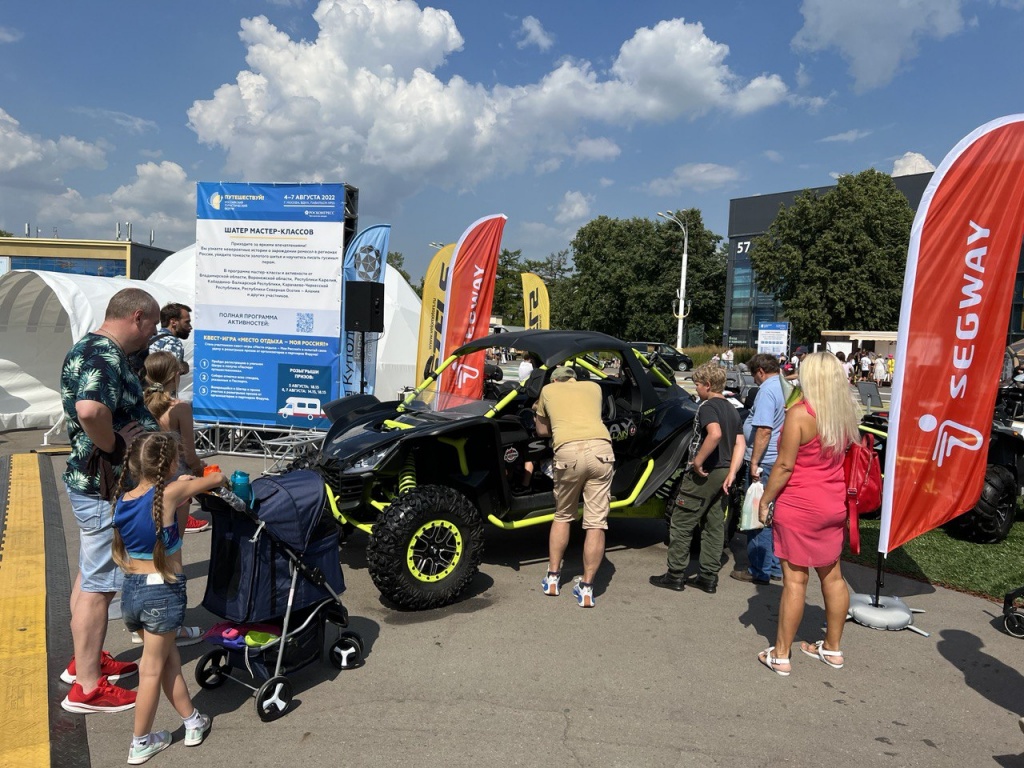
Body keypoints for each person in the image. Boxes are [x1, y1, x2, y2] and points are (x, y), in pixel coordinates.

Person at [60, 288, 160, 713]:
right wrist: (116, 445)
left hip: (92, 485)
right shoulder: (105, 353)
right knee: (100, 586)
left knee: (89, 575)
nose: (153, 334)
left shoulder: (89, 345)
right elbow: (89, 409)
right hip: (105, 487)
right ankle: (87, 688)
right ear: (137, 317)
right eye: (153, 324)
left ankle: (84, 658)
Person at [111, 432, 222, 762]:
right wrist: (194, 479)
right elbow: (217, 478)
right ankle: (141, 741)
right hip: (161, 594)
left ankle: (192, 721)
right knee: (151, 670)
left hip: (132, 592)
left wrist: (181, 483)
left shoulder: (125, 497)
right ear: (171, 464)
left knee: (168, 659)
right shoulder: (171, 493)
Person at [755, 352, 861, 676]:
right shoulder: (846, 414)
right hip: (832, 504)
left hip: (799, 505)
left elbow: (785, 466)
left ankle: (782, 654)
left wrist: (765, 500)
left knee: (795, 581)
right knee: (833, 577)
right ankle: (832, 648)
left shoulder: (800, 414)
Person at [650, 363, 744, 594]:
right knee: (713, 524)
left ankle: (675, 574)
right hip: (724, 471)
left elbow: (715, 434)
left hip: (706, 472)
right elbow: (740, 443)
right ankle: (708, 576)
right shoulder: (732, 408)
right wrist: (732, 472)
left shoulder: (708, 406)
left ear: (708, 385)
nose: (697, 389)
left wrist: (698, 461)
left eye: (698, 385)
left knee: (682, 522)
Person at [534, 365, 615, 607]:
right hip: (602, 450)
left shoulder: (548, 391)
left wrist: (538, 412)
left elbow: (542, 431)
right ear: (573, 379)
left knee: (563, 516)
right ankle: (587, 588)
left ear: (555, 381)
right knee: (596, 522)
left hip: (568, 452)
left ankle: (553, 578)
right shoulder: (594, 387)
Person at [730, 353, 785, 585]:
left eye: (754, 376)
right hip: (777, 459)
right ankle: (773, 566)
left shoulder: (767, 390)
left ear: (760, 371)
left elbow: (764, 429)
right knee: (772, 515)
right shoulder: (784, 386)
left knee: (758, 515)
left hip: (764, 461)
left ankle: (759, 569)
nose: (755, 380)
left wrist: (754, 463)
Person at [143, 351, 210, 537]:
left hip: (145, 478)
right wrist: (199, 470)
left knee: (150, 539)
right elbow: (189, 453)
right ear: (175, 376)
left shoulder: (141, 405)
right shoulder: (180, 408)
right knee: (173, 542)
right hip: (175, 478)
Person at [149, 303, 193, 375]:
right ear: (173, 322)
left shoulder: (150, 337)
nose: (190, 327)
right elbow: (170, 375)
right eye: (187, 322)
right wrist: (183, 367)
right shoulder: (173, 343)